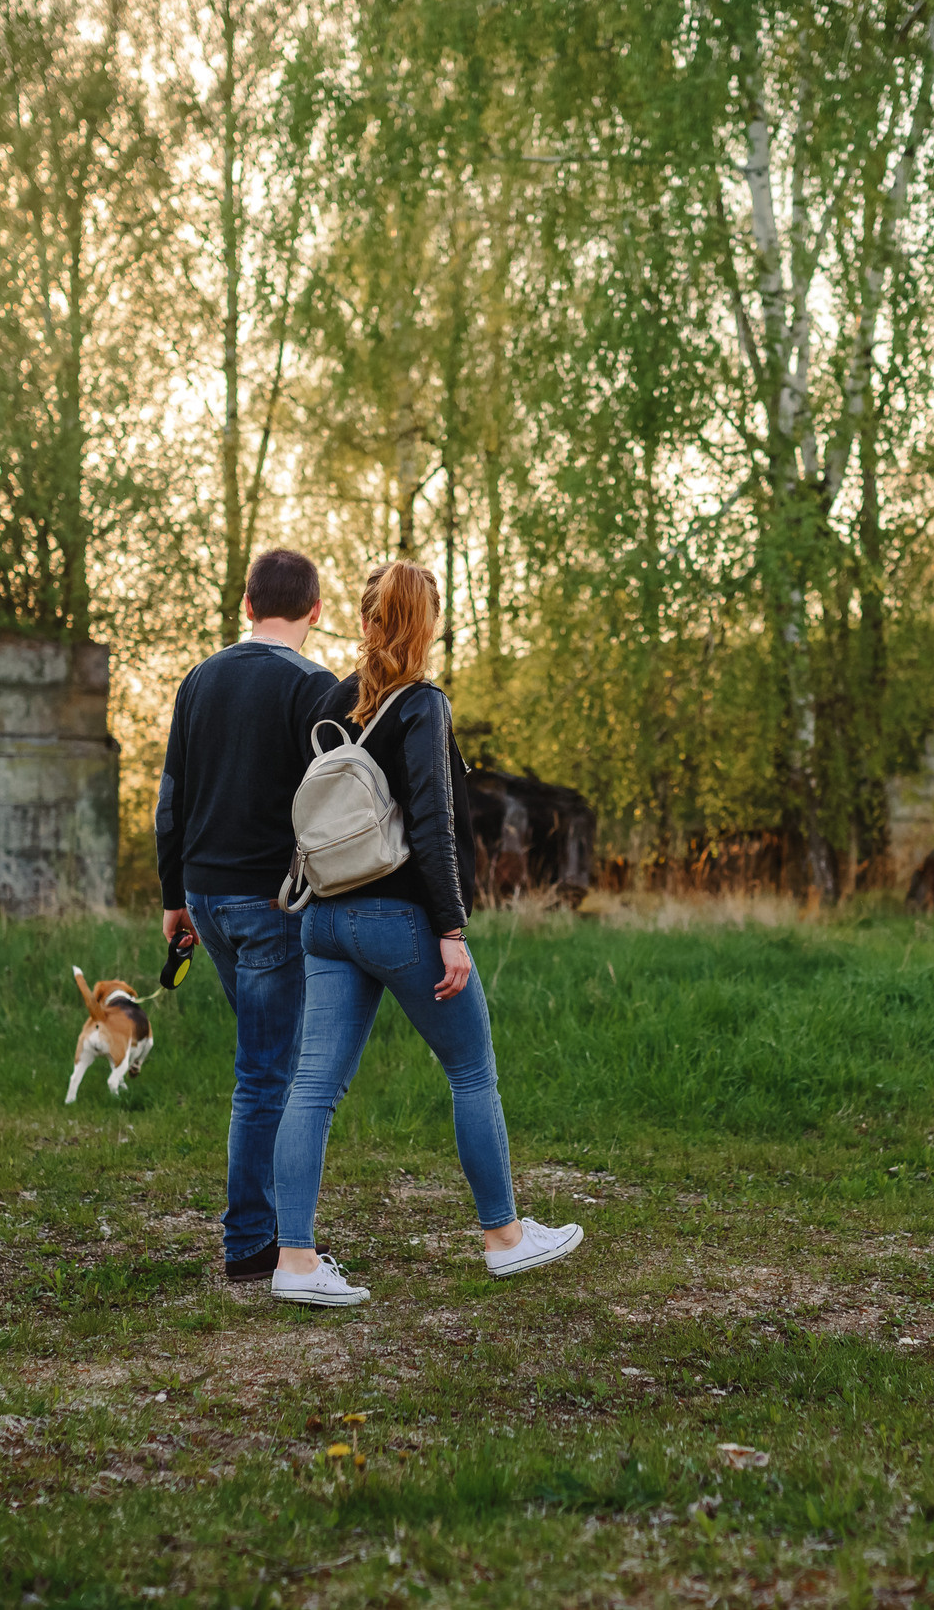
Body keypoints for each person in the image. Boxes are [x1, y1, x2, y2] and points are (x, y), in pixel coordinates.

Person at [268, 560, 583, 1307]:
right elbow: (438, 825)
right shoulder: (423, 705)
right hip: (398, 918)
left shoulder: (330, 701)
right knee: (471, 1070)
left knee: (311, 1086)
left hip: (324, 916)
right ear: (425, 625)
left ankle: (295, 1258)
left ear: (369, 618)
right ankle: (504, 1238)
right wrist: (451, 929)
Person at [154, 548, 340, 1284]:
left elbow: (172, 799)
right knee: (270, 1074)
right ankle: (254, 1243)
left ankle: (267, 1227)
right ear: (316, 610)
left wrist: (174, 899)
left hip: (206, 895)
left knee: (270, 1065)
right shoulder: (314, 685)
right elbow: (332, 805)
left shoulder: (198, 678)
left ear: (246, 602)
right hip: (271, 903)